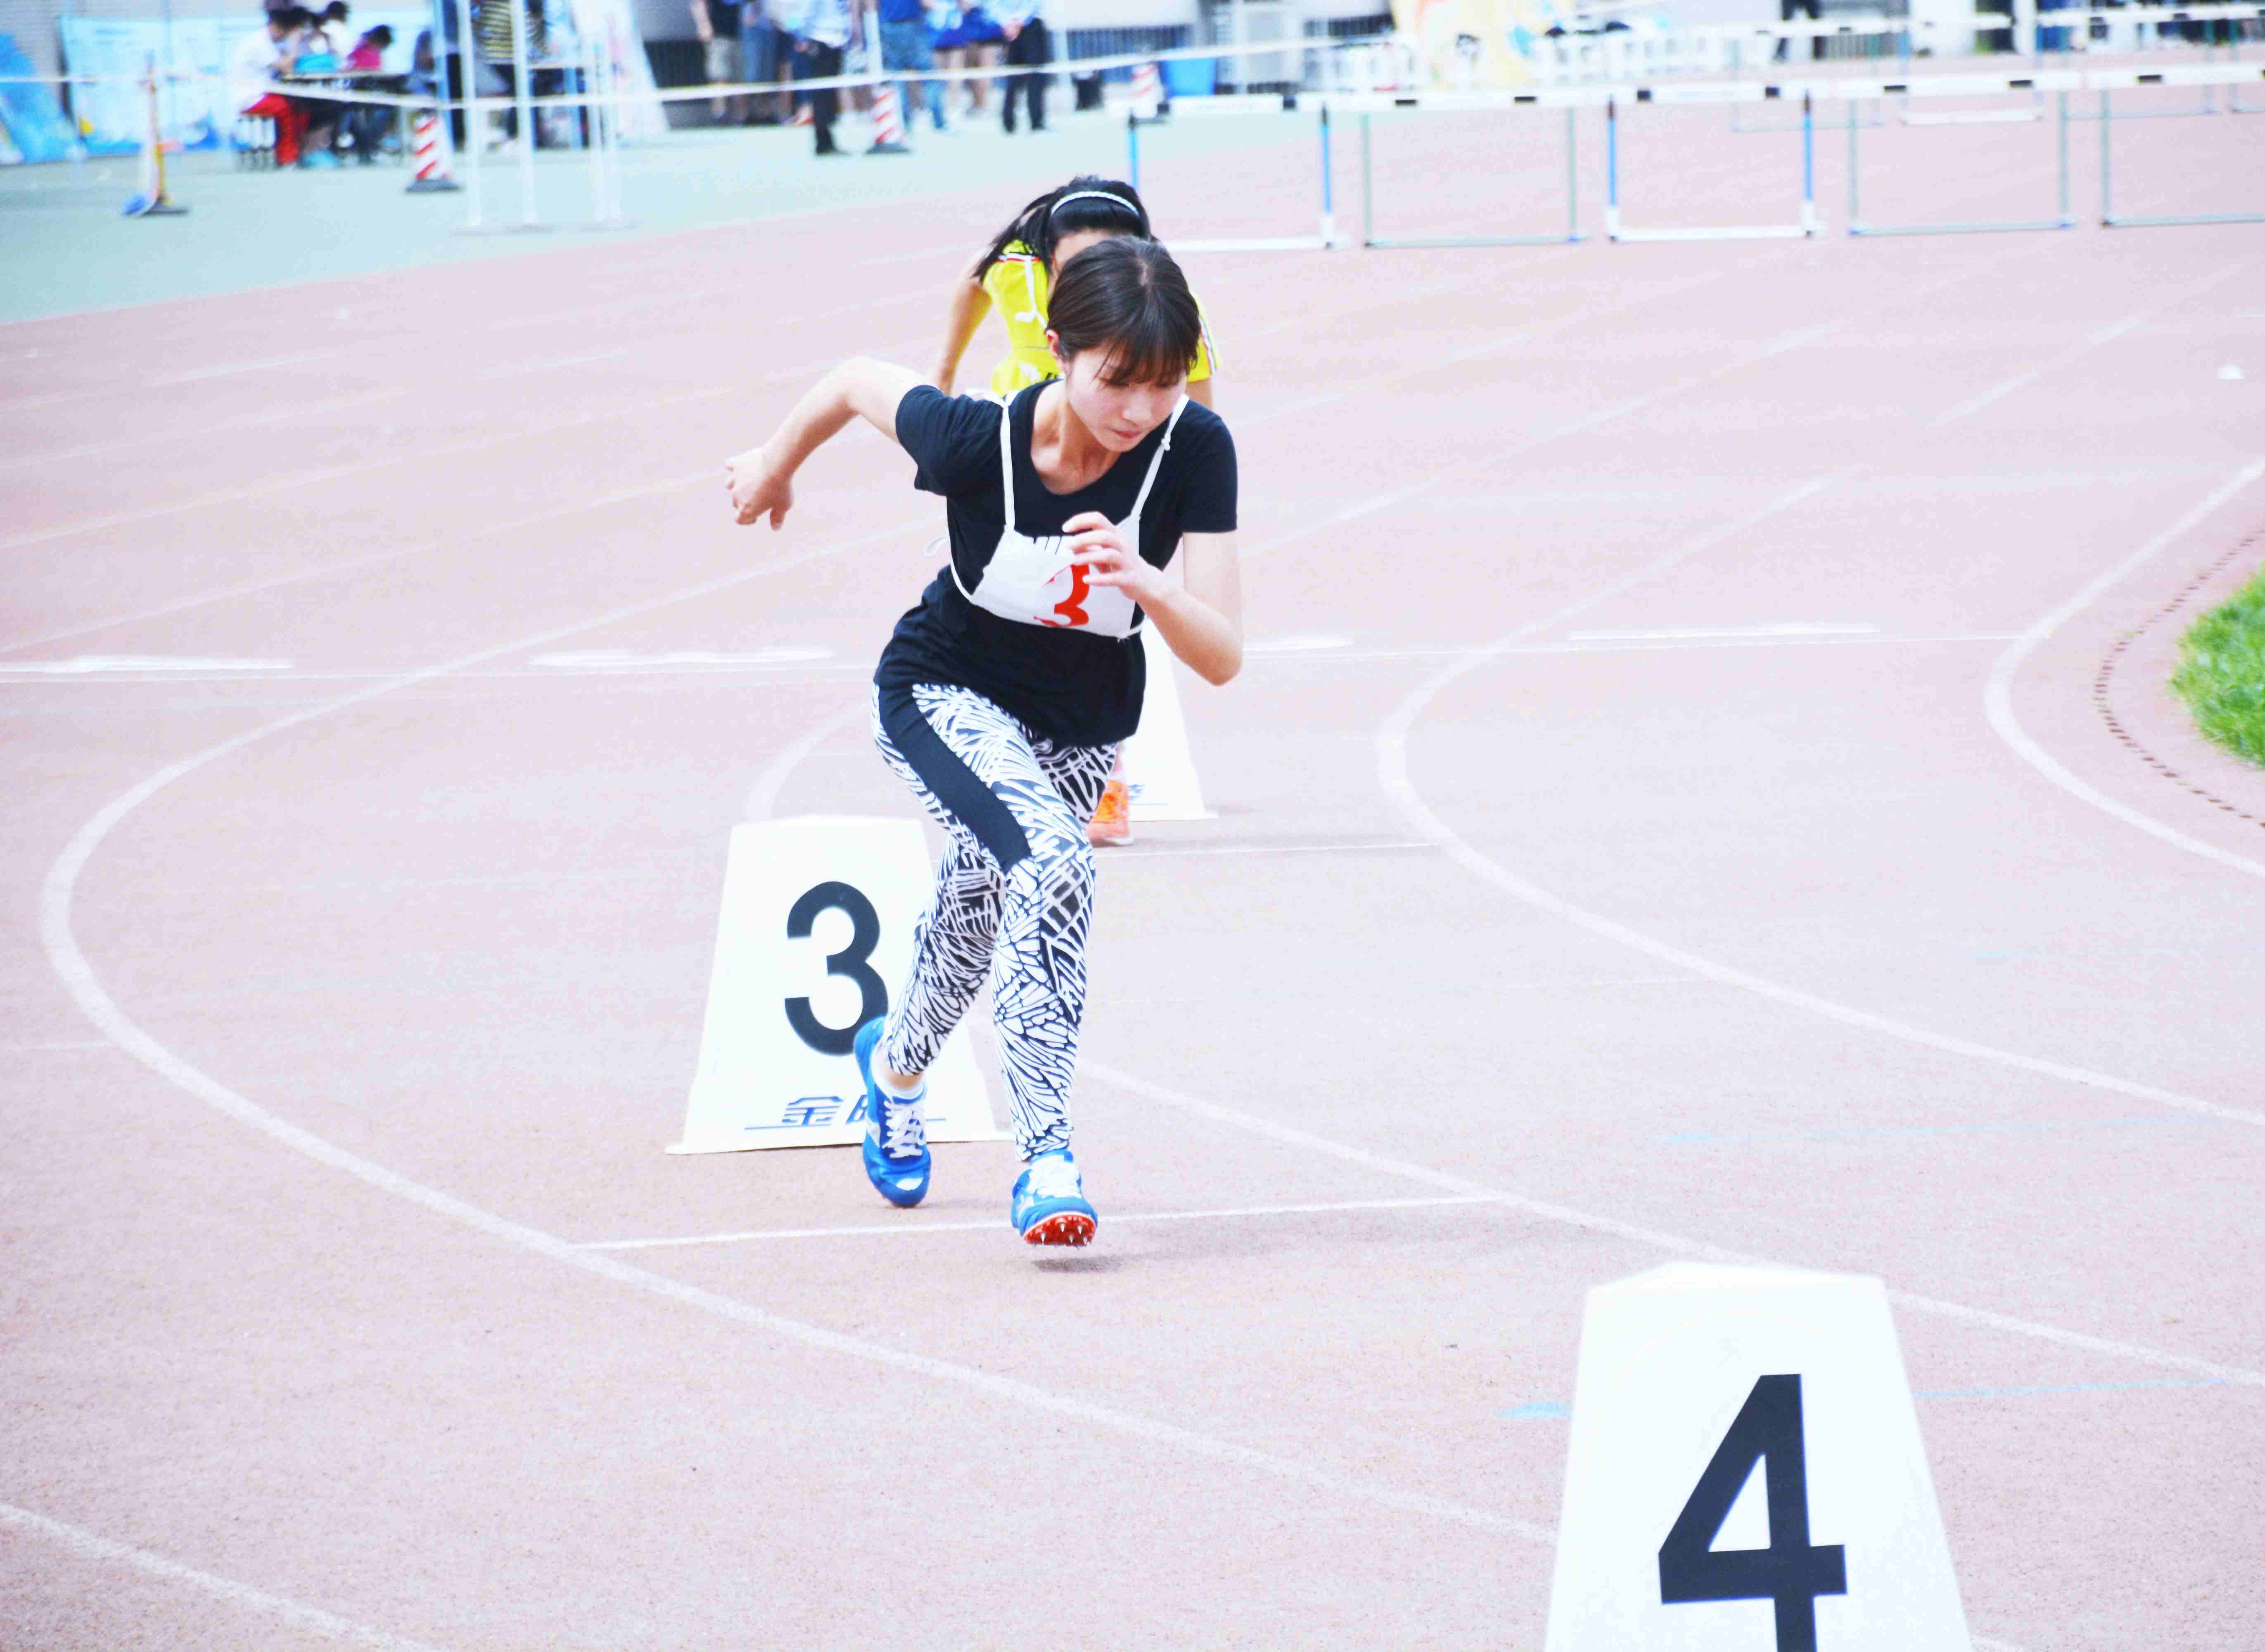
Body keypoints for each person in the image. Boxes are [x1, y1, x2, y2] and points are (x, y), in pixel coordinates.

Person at [723, 238, 1241, 1246]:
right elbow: (853, 380)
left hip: (1082, 725)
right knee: (1051, 859)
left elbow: (1221, 655)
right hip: (943, 691)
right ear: (1058, 349)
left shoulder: (1196, 449)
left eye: (1164, 382)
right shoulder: (975, 441)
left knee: (977, 907)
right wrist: (772, 464)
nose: (1140, 410)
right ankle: (1046, 1156)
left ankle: (892, 1070)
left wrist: (1149, 582)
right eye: (1117, 380)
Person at [934, 178, 1226, 845]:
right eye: (1072, 265)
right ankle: (1009, 764)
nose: (1093, 276)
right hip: (1017, 465)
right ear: (1046, 262)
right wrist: (942, 375)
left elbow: (1199, 403)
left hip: (1116, 471)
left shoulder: (1162, 308)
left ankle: (1104, 780)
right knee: (1003, 616)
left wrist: (1188, 479)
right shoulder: (1015, 272)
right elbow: (974, 279)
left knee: (1099, 628)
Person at [230, 6, 313, 167]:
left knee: (302, 109)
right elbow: (287, 68)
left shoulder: (267, 42)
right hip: (251, 98)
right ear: (279, 28)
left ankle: (298, 152)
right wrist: (295, 42)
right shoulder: (259, 43)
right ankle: (287, 158)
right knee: (288, 110)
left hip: (264, 93)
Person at [788, 0, 854, 154]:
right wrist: (800, 35)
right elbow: (805, 9)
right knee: (821, 94)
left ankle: (828, 139)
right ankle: (823, 142)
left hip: (836, 40)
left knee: (830, 95)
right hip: (821, 39)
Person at [877, 0, 945, 133]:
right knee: (928, 75)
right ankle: (938, 121)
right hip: (912, 25)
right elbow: (928, 4)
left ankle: (903, 123)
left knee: (896, 78)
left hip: (888, 25)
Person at [995, 0, 1047, 132]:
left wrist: (1012, 22)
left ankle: (1034, 120)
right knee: (1014, 76)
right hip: (1015, 28)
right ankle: (1011, 121)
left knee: (1033, 75)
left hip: (1022, 26)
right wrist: (1013, 23)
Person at [692, 0, 743, 123]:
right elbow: (697, 4)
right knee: (720, 77)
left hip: (742, 37)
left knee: (740, 80)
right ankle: (720, 116)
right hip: (718, 36)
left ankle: (739, 119)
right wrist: (703, 25)